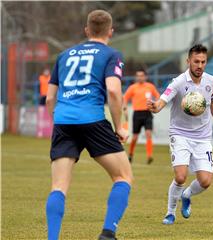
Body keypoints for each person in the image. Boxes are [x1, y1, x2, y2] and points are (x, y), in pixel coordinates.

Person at [45, 10, 132, 240]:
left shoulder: (64, 55)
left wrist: (56, 120)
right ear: (110, 32)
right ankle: (107, 233)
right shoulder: (111, 54)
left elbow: (49, 98)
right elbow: (113, 91)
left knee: (58, 187)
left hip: (64, 122)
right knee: (123, 177)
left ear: (86, 30)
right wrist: (119, 126)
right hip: (92, 120)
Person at [147, 44, 213, 225]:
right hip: (180, 134)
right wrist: (156, 107)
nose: (200, 65)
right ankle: (170, 213)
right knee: (180, 176)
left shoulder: (211, 81)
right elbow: (164, 98)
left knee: (205, 181)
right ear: (188, 61)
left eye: (203, 62)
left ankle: (186, 195)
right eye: (196, 61)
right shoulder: (179, 82)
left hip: (203, 137)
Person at [123, 69, 160, 164]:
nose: (140, 77)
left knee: (148, 134)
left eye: (141, 75)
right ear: (136, 77)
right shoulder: (133, 87)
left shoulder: (150, 87)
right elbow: (125, 98)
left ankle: (149, 156)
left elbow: (158, 96)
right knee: (134, 137)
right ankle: (130, 154)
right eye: (138, 75)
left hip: (147, 113)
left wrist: (156, 104)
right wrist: (125, 108)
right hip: (137, 114)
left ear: (145, 77)